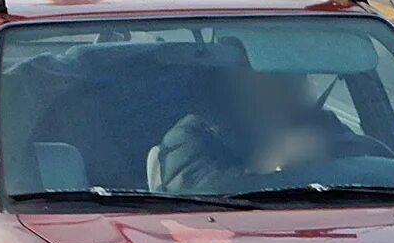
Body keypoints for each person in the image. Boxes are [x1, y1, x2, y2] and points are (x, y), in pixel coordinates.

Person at [156, 65, 365, 194]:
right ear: (236, 84)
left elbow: (367, 160)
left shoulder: (321, 123)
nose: (291, 86)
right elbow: (196, 196)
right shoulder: (192, 134)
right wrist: (270, 163)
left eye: (296, 77)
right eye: (275, 76)